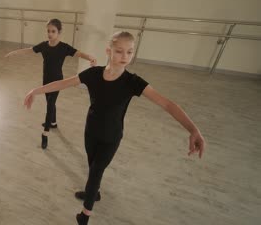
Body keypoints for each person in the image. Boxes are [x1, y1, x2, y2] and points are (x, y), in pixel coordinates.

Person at [23, 31, 206, 225]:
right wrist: (36, 91)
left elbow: (167, 104)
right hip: (91, 132)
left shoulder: (133, 82)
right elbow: (64, 83)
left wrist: (193, 130)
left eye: (129, 52)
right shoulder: (93, 74)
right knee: (93, 166)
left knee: (96, 171)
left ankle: (84, 215)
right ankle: (95, 192)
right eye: (119, 51)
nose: (125, 57)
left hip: (111, 137)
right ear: (108, 51)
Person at [5, 18, 97, 149]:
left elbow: (79, 53)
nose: (50, 34)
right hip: (46, 80)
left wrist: (90, 58)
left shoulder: (64, 47)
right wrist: (14, 52)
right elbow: (30, 50)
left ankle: (45, 133)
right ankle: (53, 122)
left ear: (59, 32)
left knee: (50, 104)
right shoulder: (44, 45)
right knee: (50, 102)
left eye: (53, 31)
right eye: (48, 31)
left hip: (58, 81)